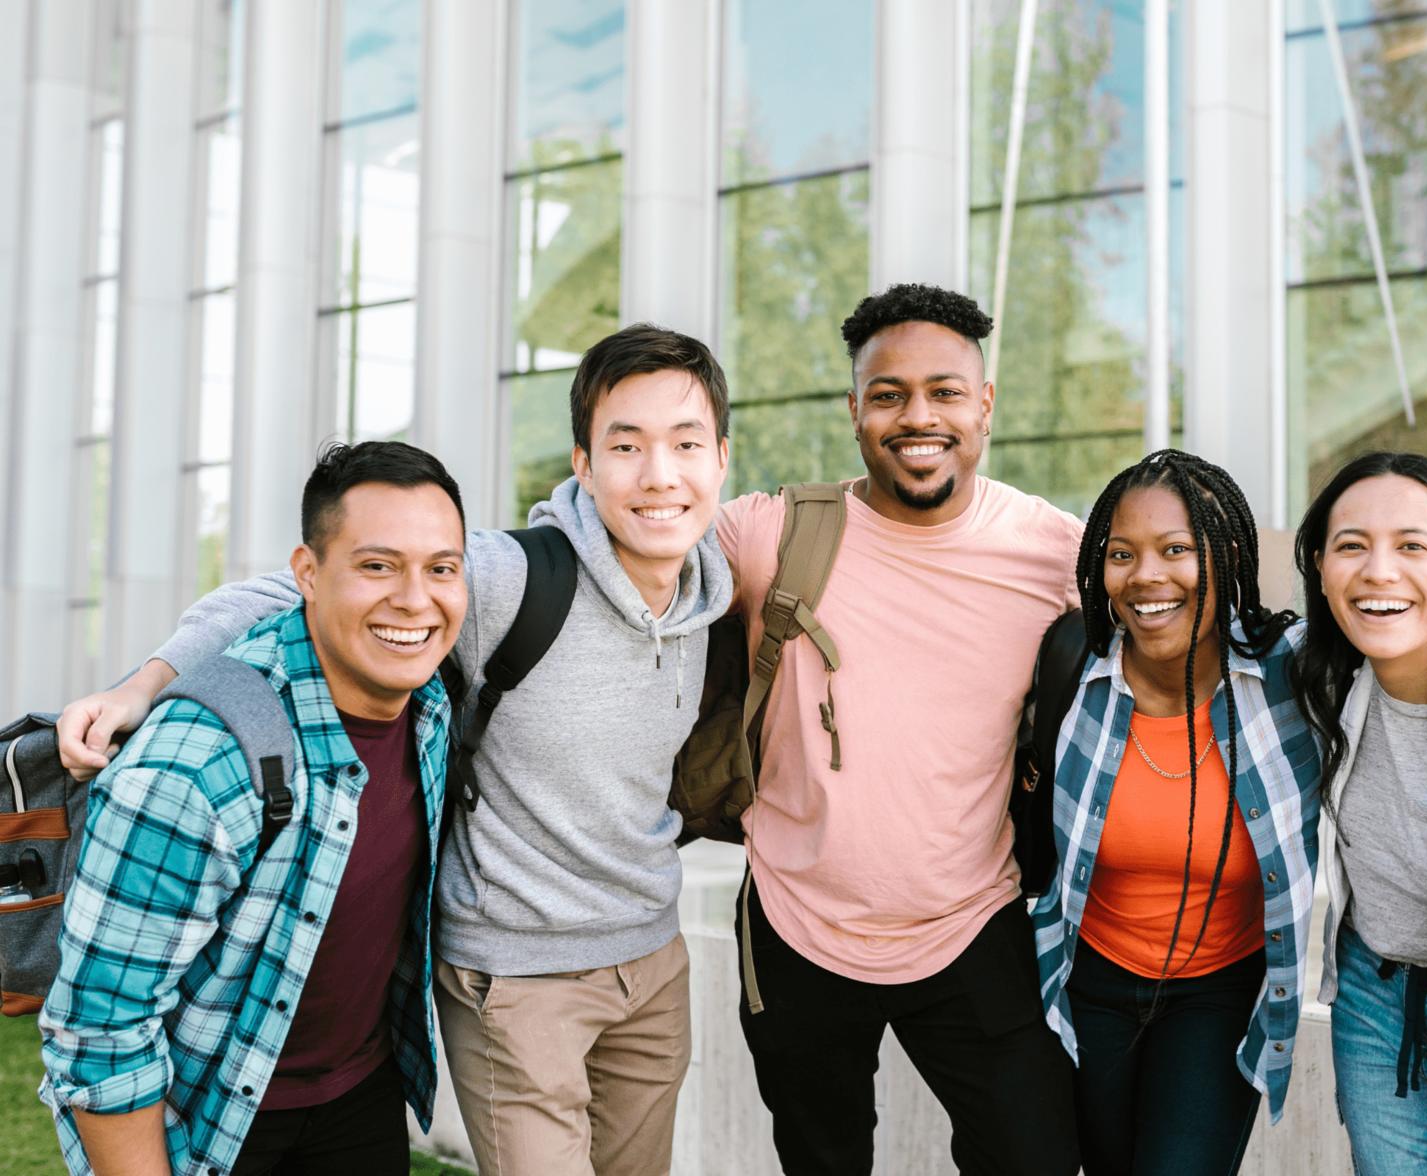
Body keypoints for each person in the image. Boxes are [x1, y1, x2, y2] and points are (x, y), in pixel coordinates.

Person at [54, 324, 733, 1176]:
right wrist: (143, 685)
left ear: (722, 460)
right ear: (583, 465)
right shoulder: (504, 578)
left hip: (645, 961)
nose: (660, 473)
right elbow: (288, 590)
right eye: (626, 445)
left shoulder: (714, 582)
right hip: (516, 975)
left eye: (685, 444)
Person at [716, 283, 1083, 1174]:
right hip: (796, 927)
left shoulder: (1057, 552)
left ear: (986, 405)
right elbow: (621, 550)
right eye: (888, 395)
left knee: (1035, 1156)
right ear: (855, 412)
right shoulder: (774, 534)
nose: (918, 416)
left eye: (946, 391)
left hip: (973, 921)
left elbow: (1190, 624)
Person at [39, 441, 468, 1176]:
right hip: (211, 1120)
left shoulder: (428, 701)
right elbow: (99, 1032)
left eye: (441, 568)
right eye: (376, 565)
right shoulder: (197, 763)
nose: (415, 599)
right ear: (305, 573)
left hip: (360, 1091)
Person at [1030, 449, 1321, 1176]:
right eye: (1122, 553)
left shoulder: (1292, 674)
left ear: (1225, 558)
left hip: (1218, 994)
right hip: (1087, 979)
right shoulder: (1075, 666)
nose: (1146, 577)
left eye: (1176, 550)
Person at [1293, 451, 1427, 1175]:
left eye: (1412, 546)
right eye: (1352, 546)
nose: (1379, 572)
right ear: (1320, 567)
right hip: (1374, 1005)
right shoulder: (1316, 680)